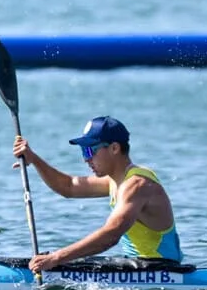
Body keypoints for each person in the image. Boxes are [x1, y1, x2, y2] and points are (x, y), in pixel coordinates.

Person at [12, 116, 182, 274]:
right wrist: (34, 160)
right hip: (140, 266)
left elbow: (111, 235)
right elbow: (69, 186)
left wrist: (56, 258)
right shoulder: (116, 180)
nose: (86, 159)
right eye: (83, 151)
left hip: (163, 271)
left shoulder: (137, 185)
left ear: (114, 148)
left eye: (90, 151)